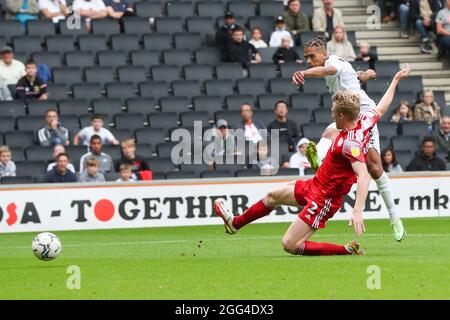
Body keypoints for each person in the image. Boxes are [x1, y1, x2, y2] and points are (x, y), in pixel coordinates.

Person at [215, 70, 410, 256]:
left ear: (342, 116)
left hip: (324, 199)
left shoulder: (351, 144)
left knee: (289, 244)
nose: (332, 113)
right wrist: (396, 81)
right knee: (272, 196)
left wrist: (357, 210)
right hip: (316, 184)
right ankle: (235, 224)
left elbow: (364, 175)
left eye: (334, 111)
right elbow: (382, 107)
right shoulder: (365, 119)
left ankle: (345, 250)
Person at [292, 36, 406, 241]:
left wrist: (304, 73)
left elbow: (329, 70)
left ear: (324, 54)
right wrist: (367, 75)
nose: (309, 60)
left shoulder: (331, 63)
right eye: (306, 58)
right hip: (345, 115)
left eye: (312, 56)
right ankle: (318, 157)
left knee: (375, 169)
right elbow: (354, 75)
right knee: (329, 132)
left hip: (363, 115)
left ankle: (394, 217)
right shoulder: (339, 63)